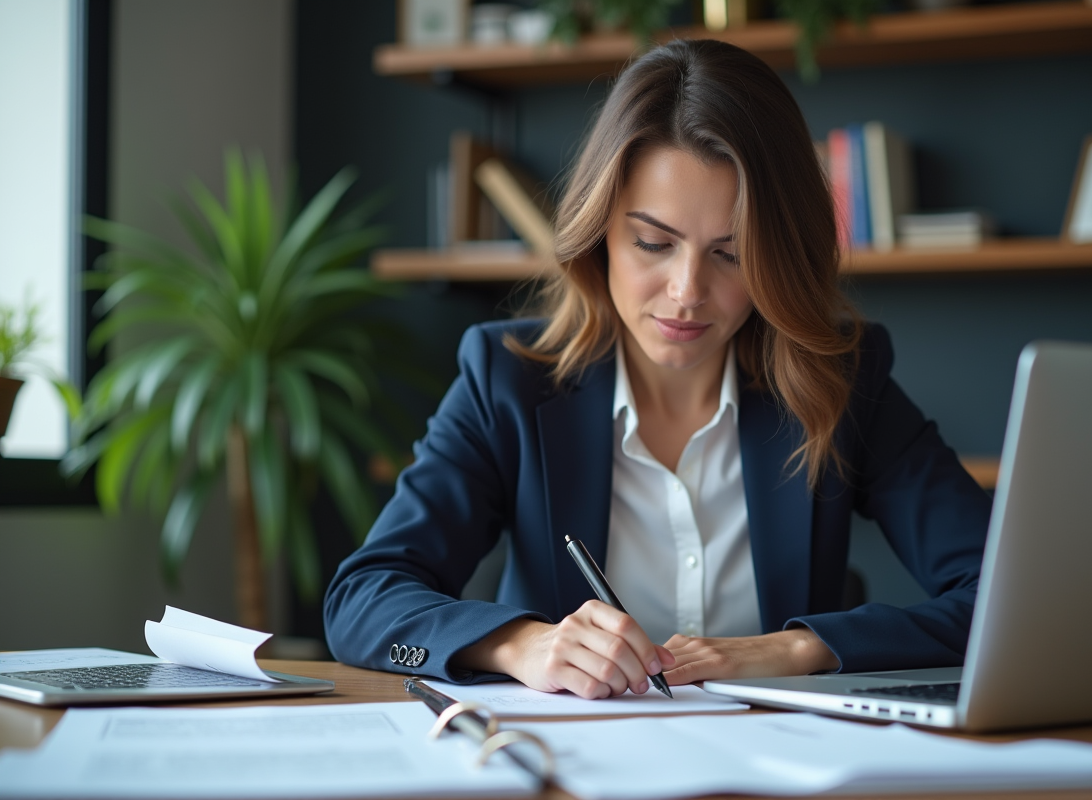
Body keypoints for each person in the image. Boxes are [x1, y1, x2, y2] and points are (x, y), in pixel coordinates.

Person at [324, 39, 990, 699]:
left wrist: (799, 648)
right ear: (598, 233)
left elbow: (1005, 594)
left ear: (776, 259)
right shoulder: (506, 381)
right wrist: (521, 644)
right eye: (652, 243)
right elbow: (360, 605)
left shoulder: (843, 380)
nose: (687, 291)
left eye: (731, 255)